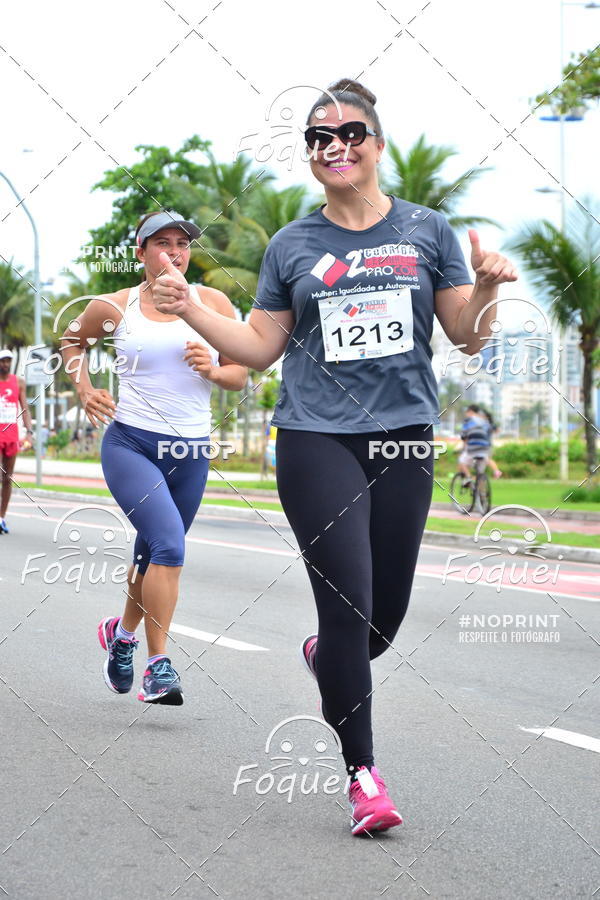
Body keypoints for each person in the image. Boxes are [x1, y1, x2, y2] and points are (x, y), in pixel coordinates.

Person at [151, 80, 518, 833]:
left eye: (350, 132)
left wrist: (483, 287)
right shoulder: (293, 244)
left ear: (376, 144)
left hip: (404, 437)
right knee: (348, 603)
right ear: (312, 156)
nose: (335, 146)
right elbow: (257, 348)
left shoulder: (428, 230)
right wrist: (189, 306)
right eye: (319, 138)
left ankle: (330, 655)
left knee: (382, 621)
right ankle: (364, 776)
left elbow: (468, 336)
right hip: (316, 438)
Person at [60, 210, 247, 705]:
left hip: (191, 450)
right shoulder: (117, 306)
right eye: (160, 243)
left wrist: (212, 368)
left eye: (182, 243)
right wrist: (84, 389)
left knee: (151, 555)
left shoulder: (214, 302)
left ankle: (121, 636)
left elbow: (239, 376)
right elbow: (71, 339)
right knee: (169, 547)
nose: (174, 252)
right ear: (140, 252)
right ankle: (157, 666)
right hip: (131, 445)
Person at [0, 349, 34, 534]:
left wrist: (29, 432)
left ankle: (1, 517)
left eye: (8, 361)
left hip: (11, 436)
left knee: (7, 478)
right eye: (2, 361)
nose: (5, 364)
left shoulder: (18, 382)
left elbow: (25, 409)